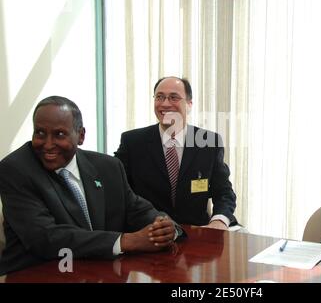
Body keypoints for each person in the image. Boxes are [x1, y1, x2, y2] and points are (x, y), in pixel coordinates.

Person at [0, 96, 181, 275]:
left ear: (81, 136)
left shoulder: (108, 167)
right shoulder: (16, 169)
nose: (47, 144)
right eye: (40, 133)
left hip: (100, 272)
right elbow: (45, 237)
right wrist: (125, 241)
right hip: (36, 274)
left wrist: (164, 227)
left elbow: (136, 209)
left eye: (59, 134)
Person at [115, 76, 238, 230]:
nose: (165, 103)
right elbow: (118, 190)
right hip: (148, 234)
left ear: (189, 104)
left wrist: (219, 220)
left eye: (173, 97)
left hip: (196, 235)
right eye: (159, 97)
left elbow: (224, 192)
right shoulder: (132, 142)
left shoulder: (208, 142)